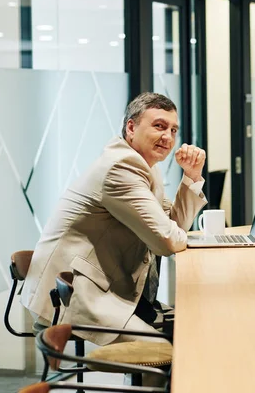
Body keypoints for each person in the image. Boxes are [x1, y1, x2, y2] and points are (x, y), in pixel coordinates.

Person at [21, 92, 207, 346]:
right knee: (161, 353)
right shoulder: (121, 168)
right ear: (131, 127)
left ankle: (145, 380)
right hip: (74, 294)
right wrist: (175, 234)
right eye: (159, 126)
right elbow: (167, 242)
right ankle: (146, 383)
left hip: (100, 286)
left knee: (187, 327)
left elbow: (173, 225)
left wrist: (192, 176)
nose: (168, 137)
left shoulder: (146, 166)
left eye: (174, 130)